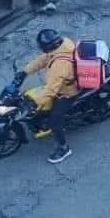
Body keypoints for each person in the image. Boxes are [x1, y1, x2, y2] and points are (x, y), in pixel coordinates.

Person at [17, 28, 80, 164]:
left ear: (50, 46)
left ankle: (64, 148)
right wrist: (25, 71)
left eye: (43, 47)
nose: (42, 49)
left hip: (68, 92)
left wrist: (36, 103)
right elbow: (43, 59)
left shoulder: (60, 65)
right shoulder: (59, 47)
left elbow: (51, 90)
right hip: (61, 85)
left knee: (54, 121)